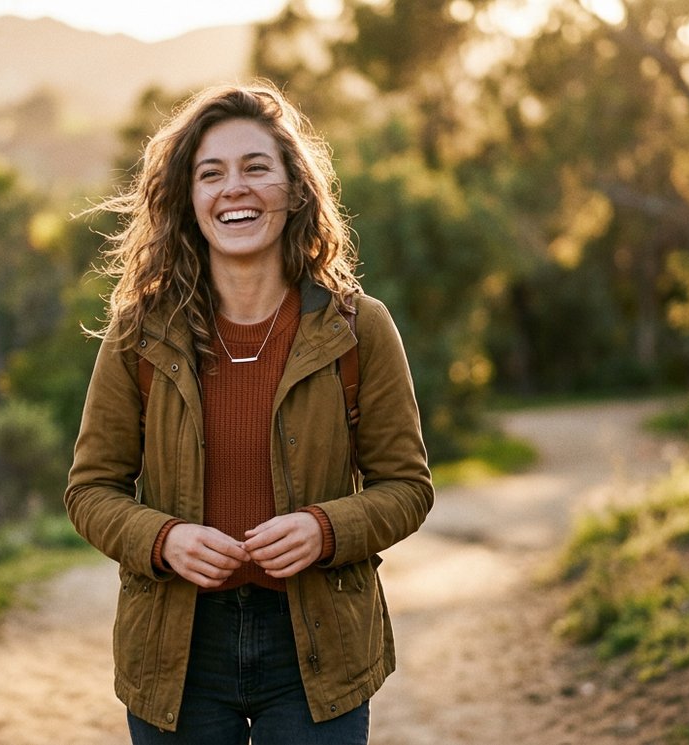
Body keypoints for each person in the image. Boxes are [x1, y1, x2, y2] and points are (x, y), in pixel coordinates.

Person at [64, 80, 432, 745]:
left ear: (294, 190)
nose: (233, 187)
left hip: (317, 644)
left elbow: (408, 487)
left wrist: (326, 528)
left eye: (255, 167)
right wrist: (162, 538)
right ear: (190, 200)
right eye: (212, 174)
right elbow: (89, 490)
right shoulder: (137, 333)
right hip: (176, 651)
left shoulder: (360, 327)